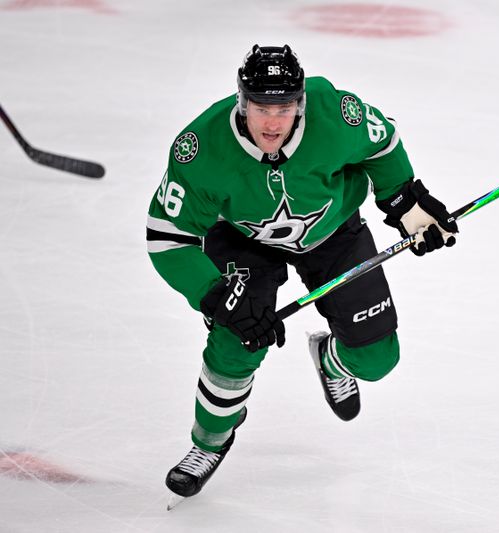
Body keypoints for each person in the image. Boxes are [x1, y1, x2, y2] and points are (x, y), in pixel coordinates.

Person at [146, 44, 458, 500]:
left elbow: (382, 144)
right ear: (242, 102)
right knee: (237, 338)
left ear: (301, 103)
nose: (273, 122)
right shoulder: (200, 148)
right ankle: (208, 442)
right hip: (242, 239)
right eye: (261, 108)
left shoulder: (336, 113)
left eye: (284, 108)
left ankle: (330, 358)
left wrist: (405, 202)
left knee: (377, 360)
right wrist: (214, 293)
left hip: (333, 229)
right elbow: (167, 237)